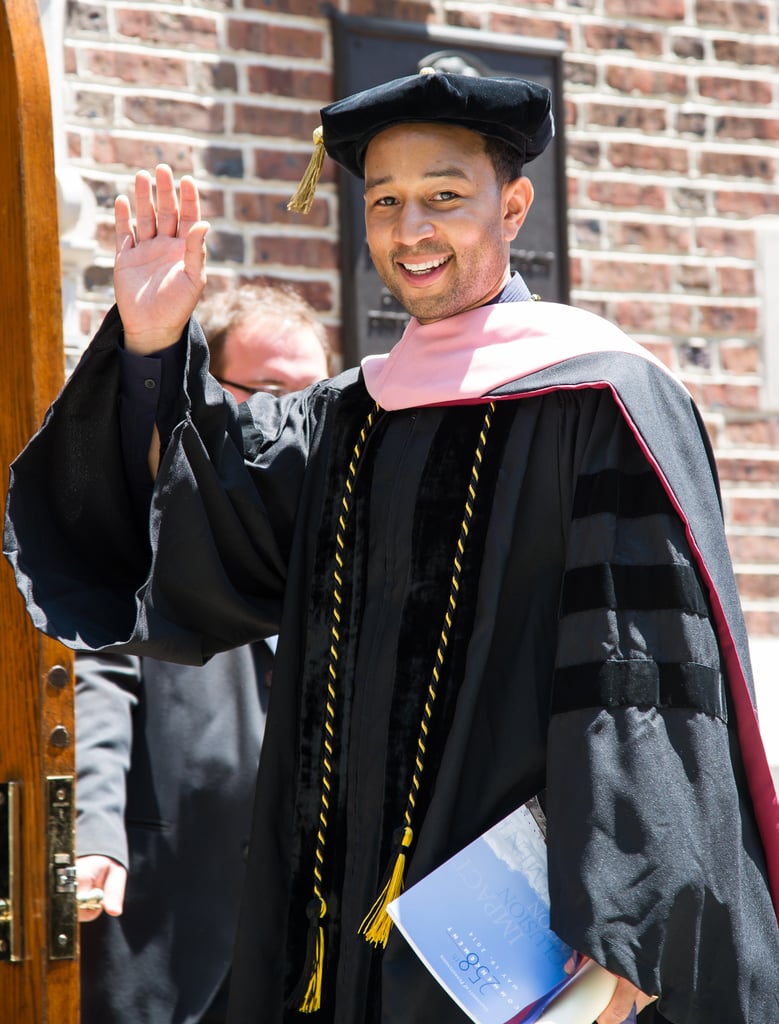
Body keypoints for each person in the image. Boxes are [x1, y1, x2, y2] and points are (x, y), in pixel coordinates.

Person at [5, 70, 779, 1024]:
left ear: (514, 204)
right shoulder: (350, 416)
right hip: (327, 922)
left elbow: (641, 687)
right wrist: (157, 345)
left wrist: (620, 934)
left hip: (525, 933)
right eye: (384, 201)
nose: (411, 229)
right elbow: (200, 518)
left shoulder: (601, 404)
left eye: (444, 197)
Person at [73, 282, 330, 1024]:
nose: (297, 423)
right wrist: (90, 832)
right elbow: (97, 680)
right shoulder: (143, 538)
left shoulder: (348, 553)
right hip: (158, 938)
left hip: (299, 967)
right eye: (273, 393)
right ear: (207, 396)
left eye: (316, 401)